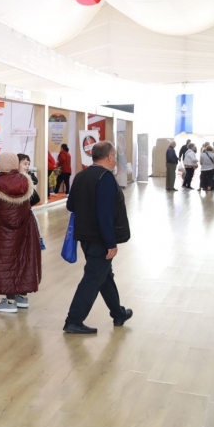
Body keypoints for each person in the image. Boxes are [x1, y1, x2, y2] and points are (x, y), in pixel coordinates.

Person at [64, 141, 132, 334]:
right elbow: (105, 214)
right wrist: (111, 243)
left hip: (84, 237)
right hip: (100, 239)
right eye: (115, 157)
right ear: (110, 157)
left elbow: (71, 206)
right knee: (93, 278)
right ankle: (74, 320)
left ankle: (118, 313)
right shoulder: (106, 178)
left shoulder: (81, 176)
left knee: (104, 275)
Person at [0, 153, 41, 312]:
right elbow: (35, 200)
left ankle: (9, 302)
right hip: (25, 229)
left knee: (5, 262)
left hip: (2, 232)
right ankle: (22, 297)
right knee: (23, 259)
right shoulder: (26, 181)